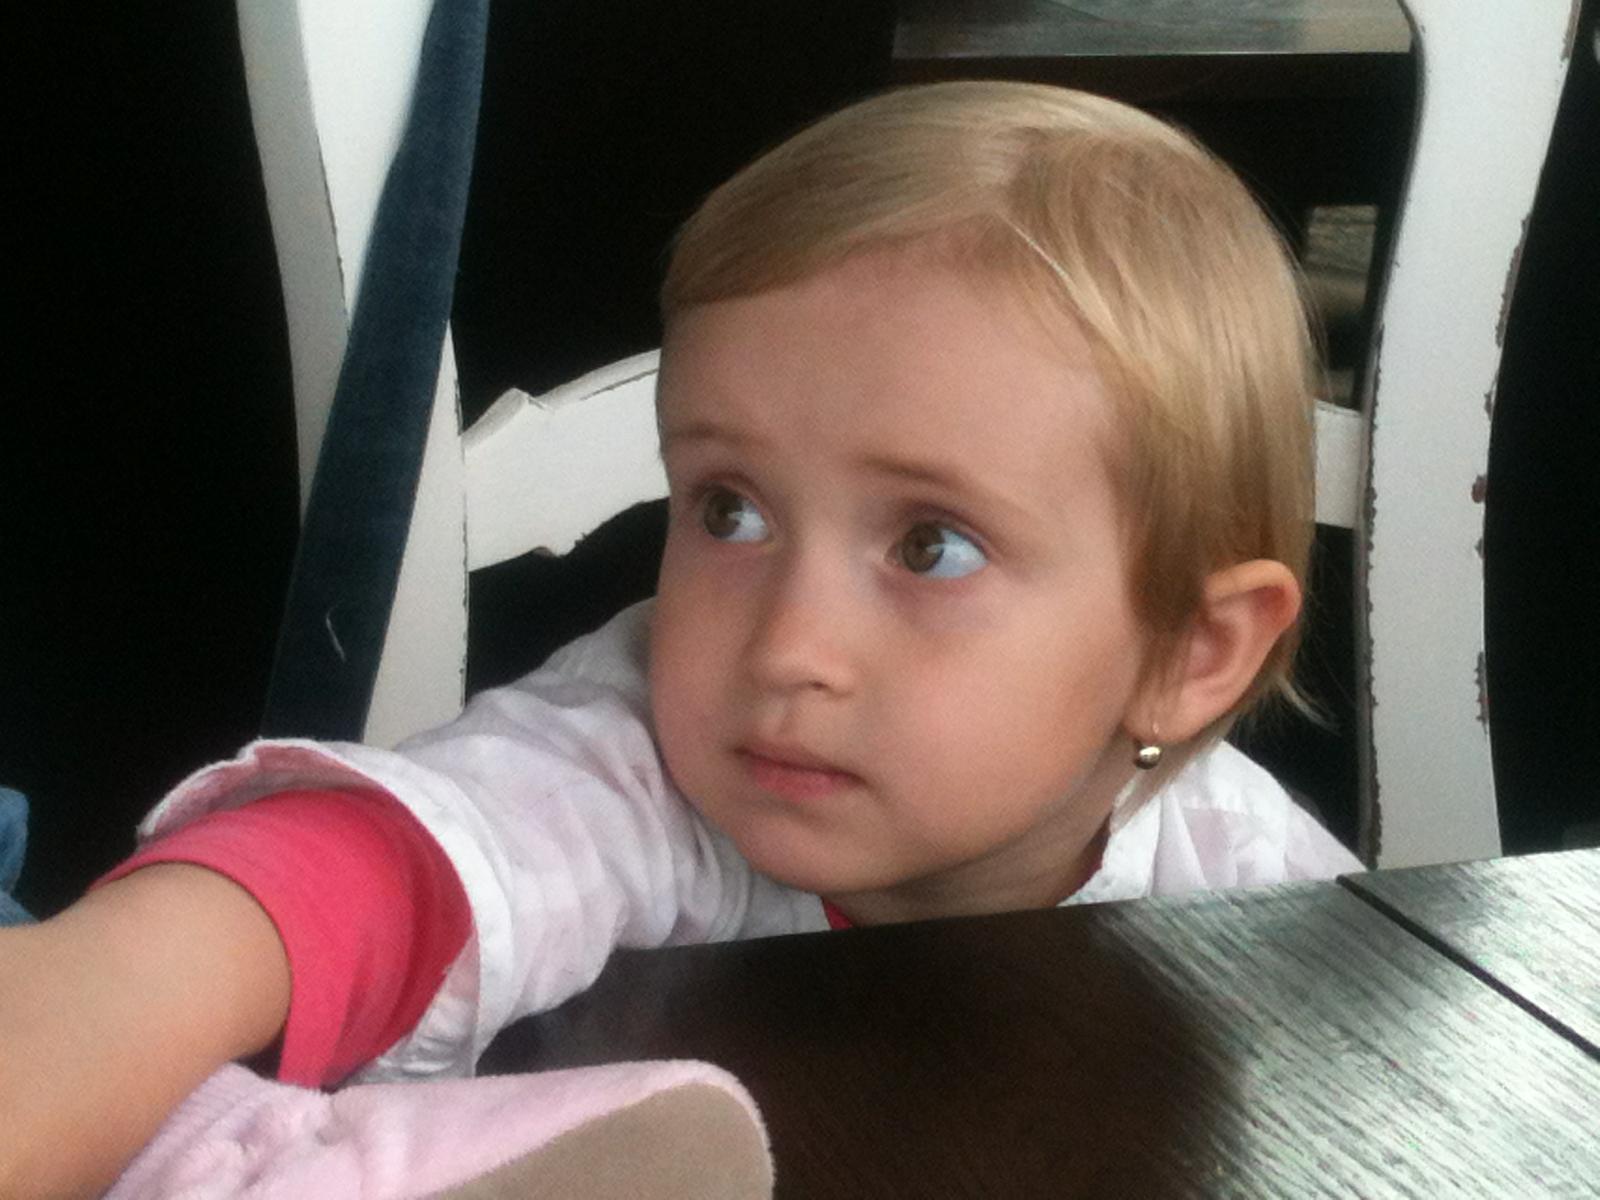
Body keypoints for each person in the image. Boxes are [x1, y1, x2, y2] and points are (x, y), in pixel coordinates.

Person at [0, 80, 1361, 1196]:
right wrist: (118, 981)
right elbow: (400, 861)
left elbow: (1384, 1080)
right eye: (730, 509)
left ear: (1190, 653)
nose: (788, 644)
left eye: (931, 546)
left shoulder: (1248, 876)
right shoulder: (639, 761)